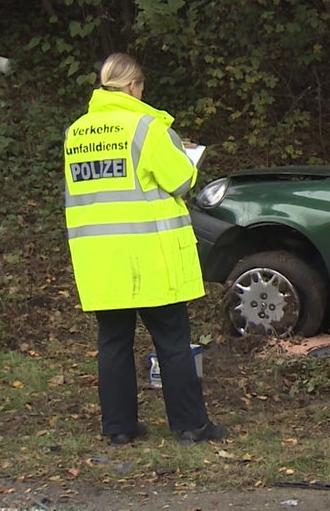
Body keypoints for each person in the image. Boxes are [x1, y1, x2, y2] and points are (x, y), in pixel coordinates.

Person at [63, 52, 226, 446]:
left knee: (113, 343)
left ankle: (118, 428)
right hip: (149, 256)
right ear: (134, 86)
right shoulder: (147, 127)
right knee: (171, 341)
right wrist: (180, 150)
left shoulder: (76, 133)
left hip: (99, 258)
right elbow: (181, 181)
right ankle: (190, 426)